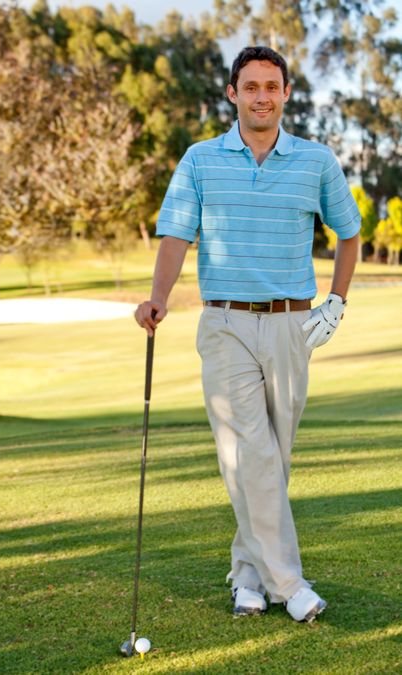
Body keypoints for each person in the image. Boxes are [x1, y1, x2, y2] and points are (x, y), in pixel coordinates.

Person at [134, 45, 360, 623]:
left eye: (272, 86)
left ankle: (246, 577)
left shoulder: (316, 161)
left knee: (271, 458)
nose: (262, 95)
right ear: (232, 94)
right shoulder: (200, 160)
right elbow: (176, 236)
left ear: (286, 94)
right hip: (226, 321)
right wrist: (158, 298)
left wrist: (337, 300)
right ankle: (290, 583)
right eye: (251, 86)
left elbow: (349, 232)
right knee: (250, 453)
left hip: (293, 323)